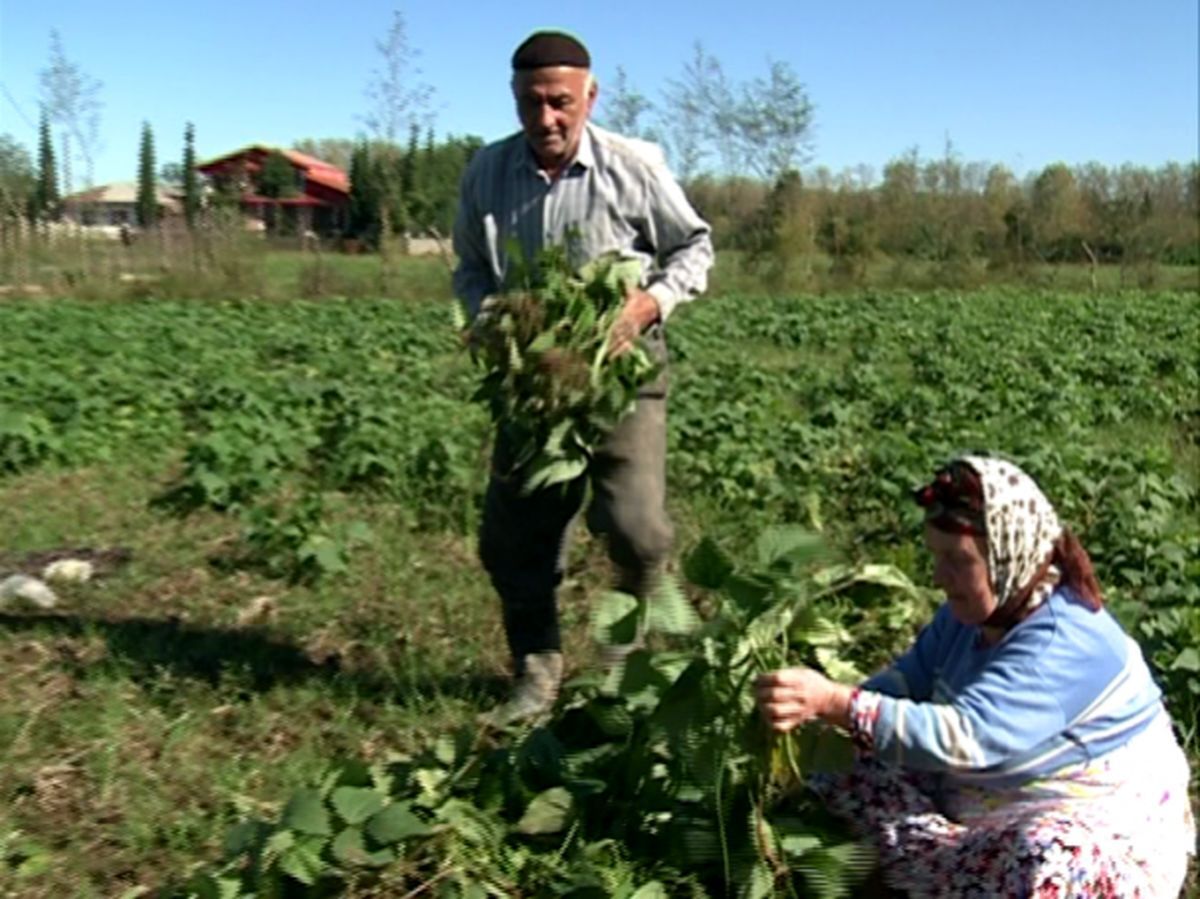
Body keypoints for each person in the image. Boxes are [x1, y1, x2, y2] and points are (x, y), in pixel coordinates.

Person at [755, 455, 1195, 897]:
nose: (939, 577)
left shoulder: (1063, 640)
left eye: (957, 560)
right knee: (839, 758)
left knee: (1048, 858)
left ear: (1007, 552)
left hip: (1093, 830)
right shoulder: (970, 616)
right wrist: (827, 714)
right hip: (982, 805)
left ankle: (932, 874)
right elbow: (909, 681)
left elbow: (966, 737)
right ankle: (921, 873)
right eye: (936, 555)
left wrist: (837, 703)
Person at [452, 29, 714, 725]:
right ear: (514, 98)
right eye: (531, 103)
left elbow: (693, 244)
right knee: (513, 539)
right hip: (532, 384)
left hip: (622, 374)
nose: (546, 119)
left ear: (590, 96)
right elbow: (471, 267)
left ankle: (624, 656)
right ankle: (537, 671)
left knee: (636, 530)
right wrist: (490, 320)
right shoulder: (487, 172)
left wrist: (649, 301)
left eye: (561, 102)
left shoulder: (632, 167)